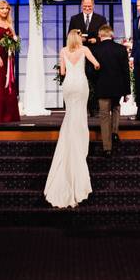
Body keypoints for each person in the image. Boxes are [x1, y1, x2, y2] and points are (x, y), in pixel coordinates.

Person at [44, 29, 100, 208]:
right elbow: (97, 64)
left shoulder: (63, 51)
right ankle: (80, 145)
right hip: (81, 84)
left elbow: (62, 72)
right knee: (80, 115)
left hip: (69, 85)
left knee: (70, 114)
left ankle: (70, 140)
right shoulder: (84, 50)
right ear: (79, 38)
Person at [93, 24, 131, 158]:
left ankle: (107, 148)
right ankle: (114, 132)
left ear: (100, 35)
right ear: (112, 35)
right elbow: (126, 72)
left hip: (102, 87)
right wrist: (127, 91)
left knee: (104, 116)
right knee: (116, 109)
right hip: (117, 87)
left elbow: (92, 72)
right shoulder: (121, 49)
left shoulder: (95, 49)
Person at [67, 0, 108, 116]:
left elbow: (105, 35)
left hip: (95, 54)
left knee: (95, 82)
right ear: (81, 5)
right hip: (79, 55)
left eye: (89, 6)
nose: (87, 8)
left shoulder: (101, 19)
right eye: (85, 6)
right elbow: (70, 36)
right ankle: (81, 108)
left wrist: (96, 40)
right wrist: (79, 39)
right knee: (80, 82)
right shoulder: (75, 19)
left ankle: (94, 109)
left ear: (93, 5)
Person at [0, 0, 20, 123]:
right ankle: (0, 116)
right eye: (2, 8)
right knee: (0, 85)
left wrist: (14, 44)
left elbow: (14, 38)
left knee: (10, 85)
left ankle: (11, 116)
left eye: (7, 8)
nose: (5, 10)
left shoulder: (9, 23)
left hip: (9, 57)